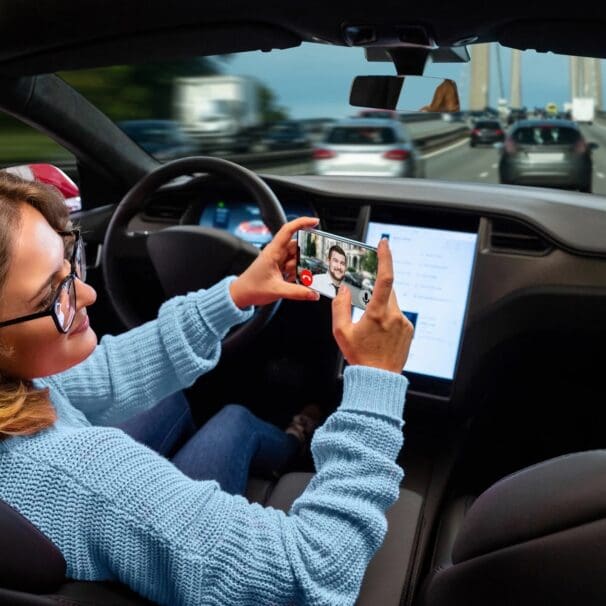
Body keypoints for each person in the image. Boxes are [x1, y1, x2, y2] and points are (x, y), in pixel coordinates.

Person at [0, 172, 414, 605]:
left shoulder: (19, 382)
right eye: (54, 294)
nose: (86, 294)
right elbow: (310, 571)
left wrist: (235, 295)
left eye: (72, 264)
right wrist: (376, 381)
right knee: (235, 419)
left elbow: (104, 373)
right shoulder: (85, 476)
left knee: (181, 403)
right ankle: (296, 440)